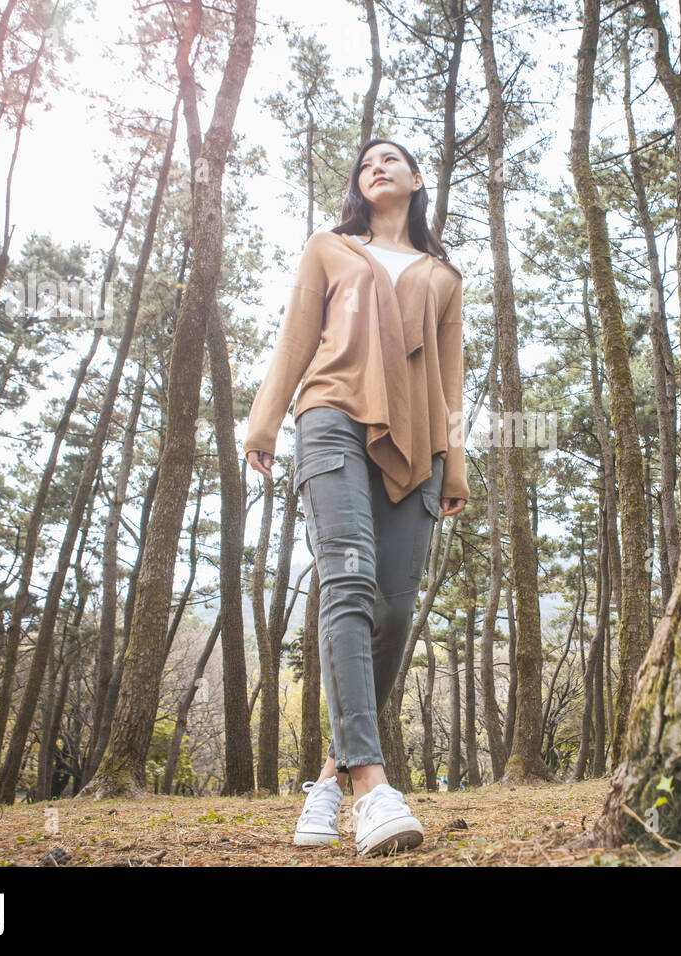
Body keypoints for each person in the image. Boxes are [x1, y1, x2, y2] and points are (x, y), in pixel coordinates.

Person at [242, 138, 468, 857]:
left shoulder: (443, 275)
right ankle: (372, 786)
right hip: (331, 417)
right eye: (365, 160)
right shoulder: (329, 250)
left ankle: (328, 778)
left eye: (391, 158)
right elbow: (294, 339)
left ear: (417, 179)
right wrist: (265, 418)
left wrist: (454, 463)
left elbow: (453, 380)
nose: (376, 165)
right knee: (349, 577)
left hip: (420, 444)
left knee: (396, 608)